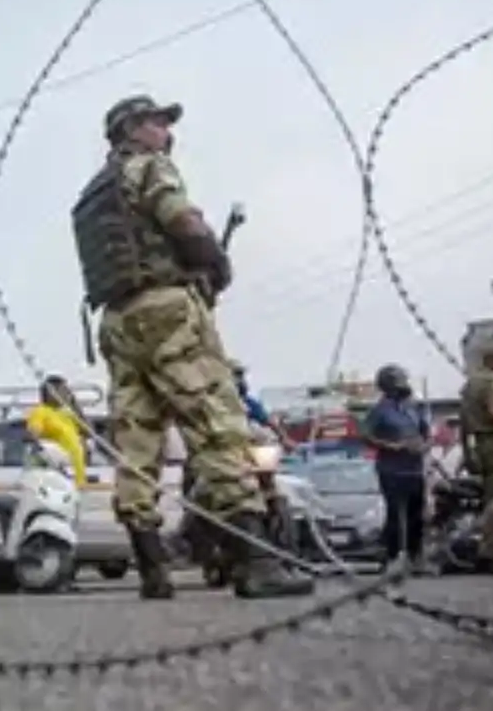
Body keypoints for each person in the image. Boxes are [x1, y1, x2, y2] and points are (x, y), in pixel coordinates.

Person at [71, 94, 312, 601]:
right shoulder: (149, 167)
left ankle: (151, 569)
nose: (167, 132)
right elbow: (182, 221)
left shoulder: (94, 194)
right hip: (166, 310)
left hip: (117, 320)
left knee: (137, 442)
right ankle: (257, 562)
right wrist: (215, 263)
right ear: (133, 129)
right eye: (158, 122)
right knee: (217, 423)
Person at [362, 363, 430, 574]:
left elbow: (426, 432)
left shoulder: (413, 408)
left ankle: (415, 557)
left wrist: (424, 445)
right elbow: (366, 435)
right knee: (395, 514)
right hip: (391, 469)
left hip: (415, 468)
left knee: (416, 515)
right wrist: (390, 446)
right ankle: (391, 556)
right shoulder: (380, 411)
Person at [459, 334, 493, 574]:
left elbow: (464, 424)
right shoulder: (492, 381)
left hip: (483, 446)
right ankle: (488, 553)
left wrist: (468, 453)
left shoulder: (470, 384)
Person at [25, 375, 88, 487]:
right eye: (62, 390)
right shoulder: (40, 412)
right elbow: (34, 433)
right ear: (51, 393)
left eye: (66, 390)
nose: (66, 393)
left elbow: (88, 432)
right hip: (57, 478)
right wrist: (34, 435)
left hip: (77, 480)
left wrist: (74, 404)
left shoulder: (68, 413)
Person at [231, 360, 294, 451]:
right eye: (236, 376)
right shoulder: (218, 401)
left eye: (240, 376)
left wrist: (283, 438)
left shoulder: (249, 403)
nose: (240, 381)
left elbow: (267, 421)